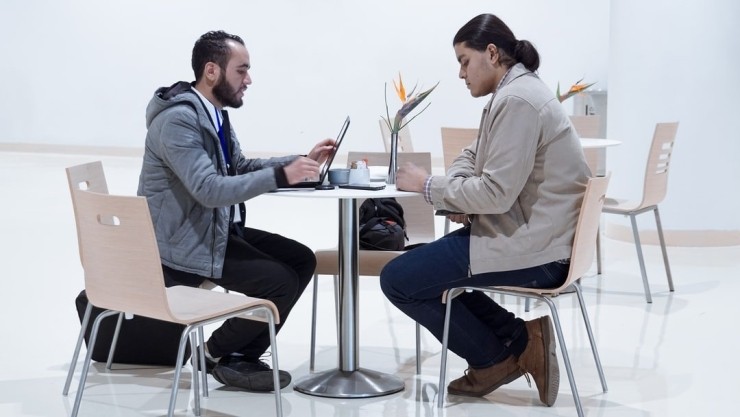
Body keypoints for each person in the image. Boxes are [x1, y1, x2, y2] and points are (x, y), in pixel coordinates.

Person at [379, 14, 590, 406]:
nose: (460, 73)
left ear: (491, 53)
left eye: (464, 61)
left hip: (537, 250)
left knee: (398, 280)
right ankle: (521, 339)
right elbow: (473, 155)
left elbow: (494, 193)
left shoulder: (518, 100)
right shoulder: (516, 93)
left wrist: (429, 187)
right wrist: (457, 193)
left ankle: (494, 359)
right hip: (538, 238)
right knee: (419, 267)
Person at [137, 30, 335, 392]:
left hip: (212, 231)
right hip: (182, 244)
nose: (249, 80)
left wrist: (298, 162)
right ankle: (212, 354)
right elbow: (210, 190)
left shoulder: (214, 115)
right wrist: (280, 176)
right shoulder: (178, 121)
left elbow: (238, 166)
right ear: (212, 71)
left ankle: (239, 357)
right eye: (241, 71)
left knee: (302, 260)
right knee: (279, 281)